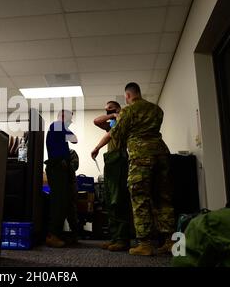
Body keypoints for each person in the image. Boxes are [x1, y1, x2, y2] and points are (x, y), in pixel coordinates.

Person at [91, 83, 175, 256]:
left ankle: (145, 243)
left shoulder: (128, 111)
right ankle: (170, 241)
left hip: (141, 155)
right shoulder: (157, 110)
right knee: (163, 197)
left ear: (127, 96)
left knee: (139, 197)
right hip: (161, 153)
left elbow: (117, 135)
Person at [93, 101, 133, 252]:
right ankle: (115, 238)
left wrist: (96, 147)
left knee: (118, 200)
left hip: (119, 160)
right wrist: (112, 114)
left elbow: (110, 135)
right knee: (110, 201)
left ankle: (122, 240)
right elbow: (96, 121)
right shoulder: (112, 122)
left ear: (117, 107)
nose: (106, 111)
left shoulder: (122, 122)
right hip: (111, 160)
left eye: (109, 108)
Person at [45, 110, 79, 248]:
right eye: (70, 119)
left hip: (60, 168)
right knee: (59, 202)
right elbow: (75, 139)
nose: (71, 122)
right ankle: (52, 235)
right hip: (57, 168)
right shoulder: (58, 125)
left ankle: (57, 234)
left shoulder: (58, 129)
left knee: (63, 201)